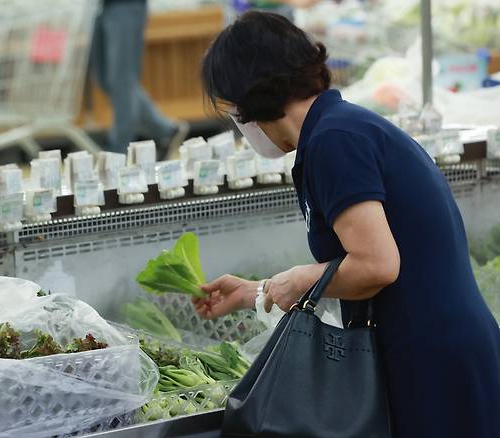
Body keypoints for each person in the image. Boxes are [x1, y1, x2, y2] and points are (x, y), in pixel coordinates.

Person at [195, 11, 500, 437]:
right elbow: (359, 266)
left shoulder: (334, 141)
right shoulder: (338, 129)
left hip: (433, 361)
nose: (239, 123)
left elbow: (377, 266)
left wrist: (300, 278)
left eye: (234, 110)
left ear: (252, 98)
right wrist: (257, 292)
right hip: (432, 349)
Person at [90, 0, 188, 158]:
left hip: (126, 6)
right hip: (103, 7)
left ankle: (119, 150)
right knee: (105, 80)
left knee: (121, 81)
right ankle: (165, 130)